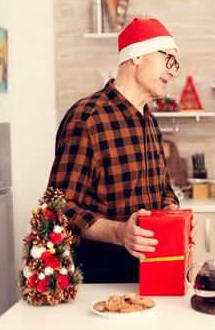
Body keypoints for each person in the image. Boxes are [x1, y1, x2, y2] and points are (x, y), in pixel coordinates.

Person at [48, 18, 197, 283]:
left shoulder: (150, 120)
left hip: (152, 268)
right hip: (100, 274)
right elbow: (59, 207)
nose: (174, 72)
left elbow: (163, 190)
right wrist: (120, 233)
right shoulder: (87, 118)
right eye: (169, 60)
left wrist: (175, 217)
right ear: (137, 55)